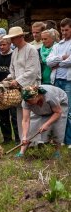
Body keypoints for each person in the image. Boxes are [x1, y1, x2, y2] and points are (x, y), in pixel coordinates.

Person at [3, 26, 41, 144]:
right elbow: (12, 69)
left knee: (32, 115)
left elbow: (32, 71)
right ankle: (23, 141)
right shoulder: (15, 51)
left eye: (13, 38)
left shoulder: (31, 49)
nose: (11, 41)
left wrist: (17, 81)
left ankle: (36, 142)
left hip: (31, 87)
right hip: (19, 88)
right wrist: (10, 79)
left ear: (20, 37)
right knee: (21, 115)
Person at [17, 85, 68, 158]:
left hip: (59, 101)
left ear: (36, 96)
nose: (27, 102)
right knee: (32, 126)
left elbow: (58, 112)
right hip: (42, 107)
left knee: (57, 126)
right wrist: (24, 136)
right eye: (26, 101)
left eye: (29, 101)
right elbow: (25, 120)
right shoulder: (26, 101)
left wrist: (47, 124)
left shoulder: (49, 96)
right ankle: (21, 152)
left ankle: (57, 151)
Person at [46, 18, 71, 148]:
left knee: (69, 111)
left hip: (68, 81)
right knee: (56, 110)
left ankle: (69, 140)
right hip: (56, 80)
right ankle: (58, 139)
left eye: (67, 30)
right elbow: (48, 62)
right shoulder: (57, 45)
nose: (64, 32)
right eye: (62, 30)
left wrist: (57, 63)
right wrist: (61, 58)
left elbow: (70, 62)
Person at [0, 35, 19, 144]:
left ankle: (18, 137)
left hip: (11, 89)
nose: (2, 47)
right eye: (0, 45)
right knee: (3, 115)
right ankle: (7, 138)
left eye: (4, 44)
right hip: (0, 90)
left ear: (9, 44)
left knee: (14, 115)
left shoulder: (14, 55)